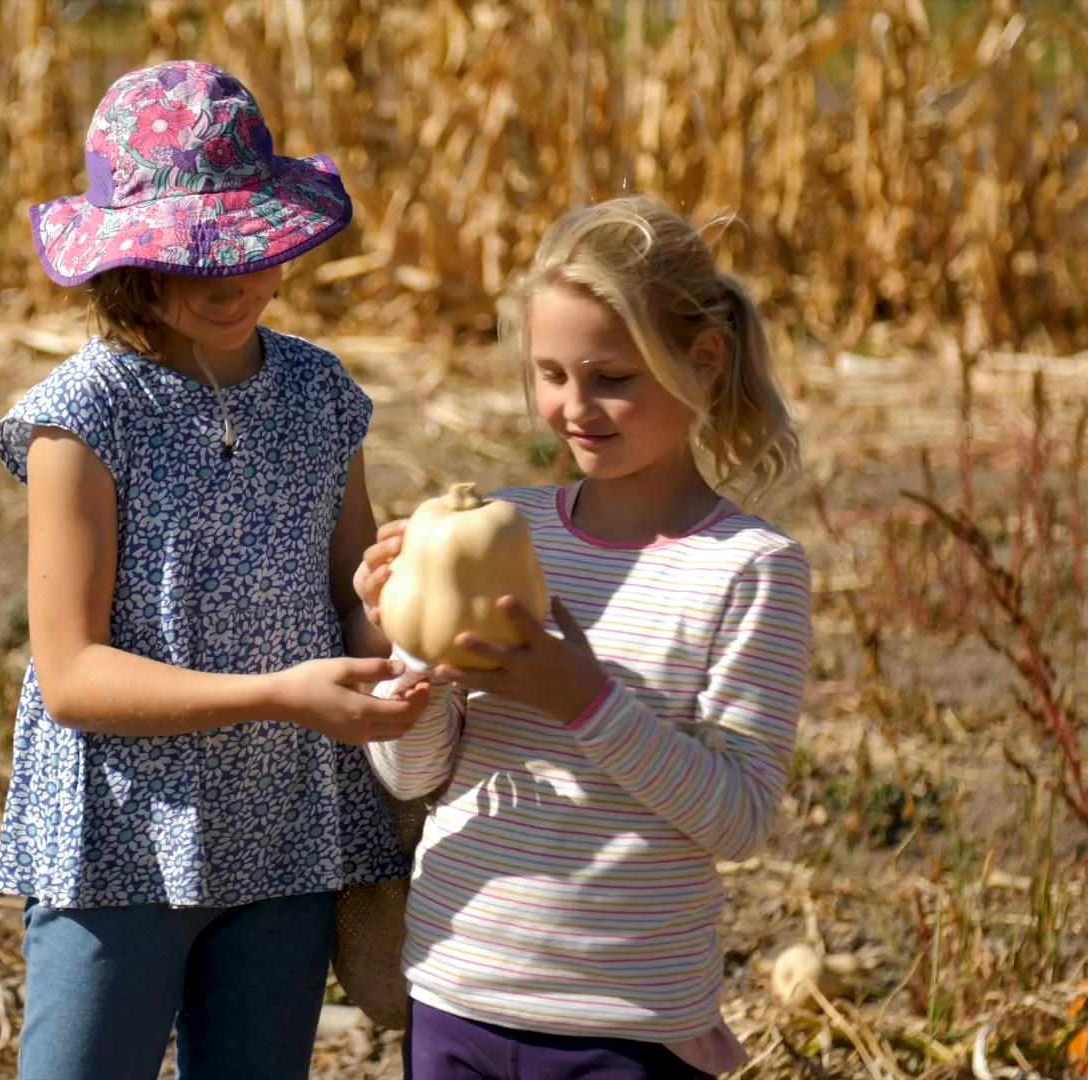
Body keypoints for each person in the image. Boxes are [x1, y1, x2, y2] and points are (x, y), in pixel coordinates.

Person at [0, 60, 430, 1080]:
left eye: (245, 248)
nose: (228, 281)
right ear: (125, 266)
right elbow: (74, 676)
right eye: (190, 259)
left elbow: (348, 609)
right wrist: (282, 695)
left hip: (284, 841)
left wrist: (392, 628)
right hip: (118, 848)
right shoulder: (85, 416)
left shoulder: (320, 396)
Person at [354, 195, 813, 1080]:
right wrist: (408, 659)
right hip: (458, 984)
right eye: (550, 373)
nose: (574, 407)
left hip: (628, 1020)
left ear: (703, 362)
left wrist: (584, 699)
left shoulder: (750, 568)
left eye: (612, 377)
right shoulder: (500, 529)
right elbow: (414, 775)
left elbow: (739, 819)